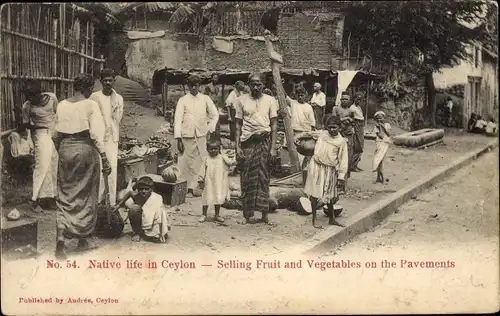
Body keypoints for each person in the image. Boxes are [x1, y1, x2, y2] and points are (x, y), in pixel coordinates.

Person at [52, 73, 111, 259]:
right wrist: (104, 157)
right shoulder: (90, 105)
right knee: (86, 193)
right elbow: (96, 134)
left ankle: (61, 236)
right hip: (85, 149)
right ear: (87, 88)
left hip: (65, 149)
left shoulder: (62, 105)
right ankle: (82, 239)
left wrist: (63, 150)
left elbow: (55, 135)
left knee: (65, 193)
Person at [234, 72, 278, 225]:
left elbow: (274, 125)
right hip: (247, 143)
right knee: (246, 178)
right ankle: (247, 215)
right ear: (248, 85)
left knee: (264, 178)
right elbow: (238, 125)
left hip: (264, 142)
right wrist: (237, 146)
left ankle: (264, 215)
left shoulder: (271, 100)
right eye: (252, 84)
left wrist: (273, 147)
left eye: (259, 84)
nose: (255, 87)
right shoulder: (241, 100)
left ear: (263, 85)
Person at [296, 115, 348, 229]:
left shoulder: (341, 142)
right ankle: (314, 219)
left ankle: (332, 219)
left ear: (339, 127)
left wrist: (341, 176)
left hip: (330, 169)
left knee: (330, 194)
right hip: (316, 167)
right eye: (329, 127)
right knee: (315, 193)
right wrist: (298, 137)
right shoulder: (322, 134)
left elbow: (343, 160)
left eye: (334, 127)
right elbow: (309, 133)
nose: (332, 130)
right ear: (326, 127)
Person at [174, 75, 219, 197]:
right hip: (186, 134)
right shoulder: (183, 100)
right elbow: (177, 119)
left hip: (201, 134)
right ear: (188, 86)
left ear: (199, 86)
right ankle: (186, 188)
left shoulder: (205, 99)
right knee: (185, 161)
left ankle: (200, 185)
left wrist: (210, 128)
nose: (194, 88)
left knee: (201, 160)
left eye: (196, 85)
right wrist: (178, 138)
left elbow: (215, 114)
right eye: (191, 85)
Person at [19, 80, 59, 212]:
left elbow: (56, 115)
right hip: (40, 135)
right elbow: (25, 125)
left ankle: (50, 198)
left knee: (53, 165)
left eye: (33, 95)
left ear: (39, 93)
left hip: (53, 134)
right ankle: (35, 199)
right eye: (28, 96)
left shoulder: (52, 98)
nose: (31, 98)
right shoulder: (27, 106)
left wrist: (56, 133)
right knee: (42, 165)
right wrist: (34, 129)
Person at [90, 68, 124, 206]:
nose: (108, 83)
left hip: (112, 138)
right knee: (98, 168)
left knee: (112, 168)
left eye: (110, 80)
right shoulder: (94, 97)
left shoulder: (118, 98)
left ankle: (110, 201)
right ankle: (97, 200)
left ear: (114, 81)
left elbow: (118, 119)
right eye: (105, 81)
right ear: (101, 81)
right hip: (98, 138)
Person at [114, 176, 170, 243]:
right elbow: (129, 193)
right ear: (138, 189)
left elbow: (161, 215)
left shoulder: (156, 198)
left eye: (146, 189)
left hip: (154, 221)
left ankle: (155, 233)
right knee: (133, 209)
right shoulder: (137, 196)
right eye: (141, 189)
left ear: (151, 189)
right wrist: (119, 205)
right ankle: (137, 233)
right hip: (141, 218)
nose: (143, 191)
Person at [197, 137, 236, 223]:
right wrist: (200, 179)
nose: (213, 151)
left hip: (219, 182)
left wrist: (223, 154)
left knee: (218, 198)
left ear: (219, 149)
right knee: (206, 198)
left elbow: (230, 163)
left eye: (215, 149)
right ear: (207, 149)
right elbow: (202, 169)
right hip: (209, 182)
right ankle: (204, 214)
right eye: (211, 149)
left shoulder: (222, 158)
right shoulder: (206, 159)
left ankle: (217, 215)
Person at [286, 86, 316, 169]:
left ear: (305, 95)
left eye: (302, 95)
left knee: (307, 153)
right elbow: (283, 95)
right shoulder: (293, 103)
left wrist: (312, 134)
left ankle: (306, 171)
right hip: (295, 132)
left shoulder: (308, 107)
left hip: (306, 133)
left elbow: (312, 123)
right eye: (298, 95)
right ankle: (296, 172)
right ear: (296, 95)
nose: (300, 97)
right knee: (295, 155)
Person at [331, 92, 355, 178]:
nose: (344, 101)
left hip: (348, 134)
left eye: (346, 99)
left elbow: (353, 121)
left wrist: (350, 121)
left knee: (348, 154)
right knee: (336, 153)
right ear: (340, 100)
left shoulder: (351, 110)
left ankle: (346, 174)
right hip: (338, 133)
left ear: (349, 101)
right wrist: (346, 118)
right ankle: (336, 173)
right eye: (343, 99)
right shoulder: (336, 108)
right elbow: (334, 120)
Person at [372, 111, 392, 184]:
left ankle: (382, 178)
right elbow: (380, 136)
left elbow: (388, 134)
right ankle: (378, 178)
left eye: (381, 118)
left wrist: (382, 126)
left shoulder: (387, 125)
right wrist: (379, 127)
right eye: (378, 119)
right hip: (379, 143)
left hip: (385, 143)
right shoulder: (376, 127)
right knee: (378, 160)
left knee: (382, 160)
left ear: (384, 118)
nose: (379, 120)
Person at [350, 91, 365, 172]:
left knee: (361, 145)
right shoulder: (352, 108)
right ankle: (352, 165)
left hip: (360, 126)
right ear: (354, 99)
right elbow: (352, 119)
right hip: (356, 126)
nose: (358, 101)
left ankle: (356, 164)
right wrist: (353, 128)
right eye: (357, 99)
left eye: (360, 99)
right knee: (357, 145)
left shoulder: (358, 107)